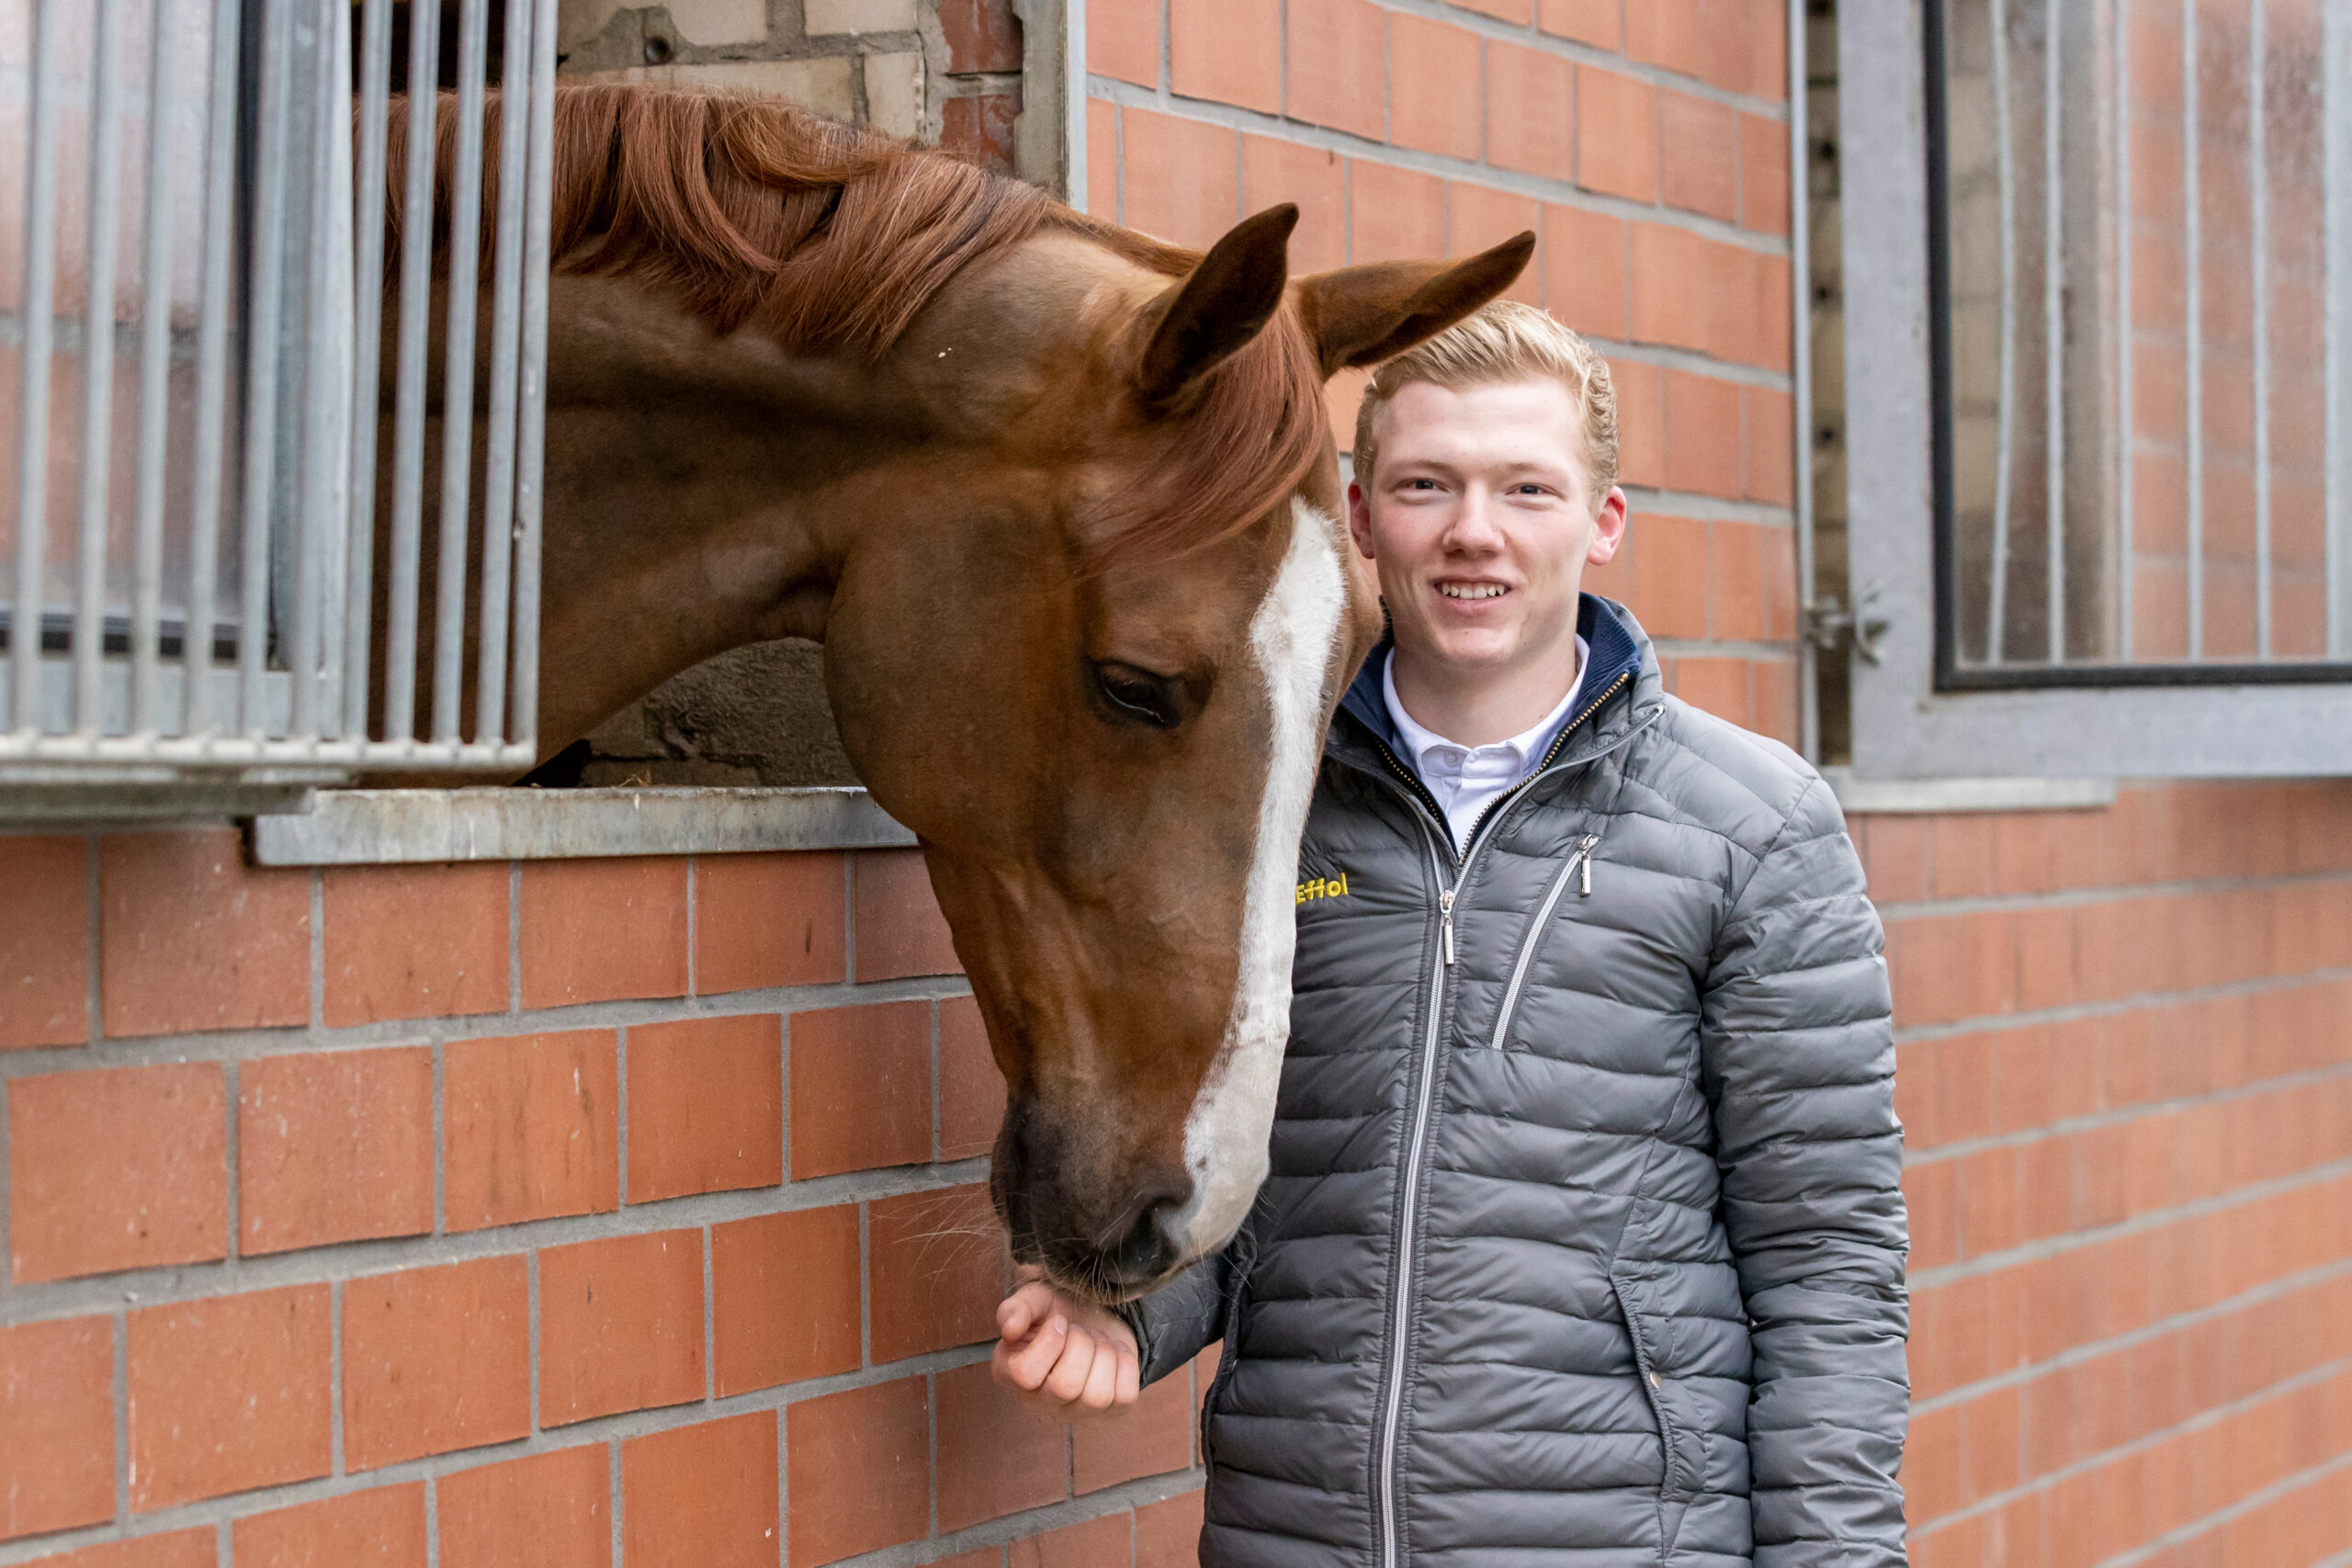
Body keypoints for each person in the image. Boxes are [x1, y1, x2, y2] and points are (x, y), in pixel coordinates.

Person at [991, 301, 1909, 1568]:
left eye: (1526, 488)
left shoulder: (1752, 827)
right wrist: (1131, 1320)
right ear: (1363, 518)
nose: (1473, 531)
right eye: (1426, 485)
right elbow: (1263, 1170)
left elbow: (1827, 1267)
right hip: (1293, 1537)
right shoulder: (1268, 806)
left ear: (1602, 523)